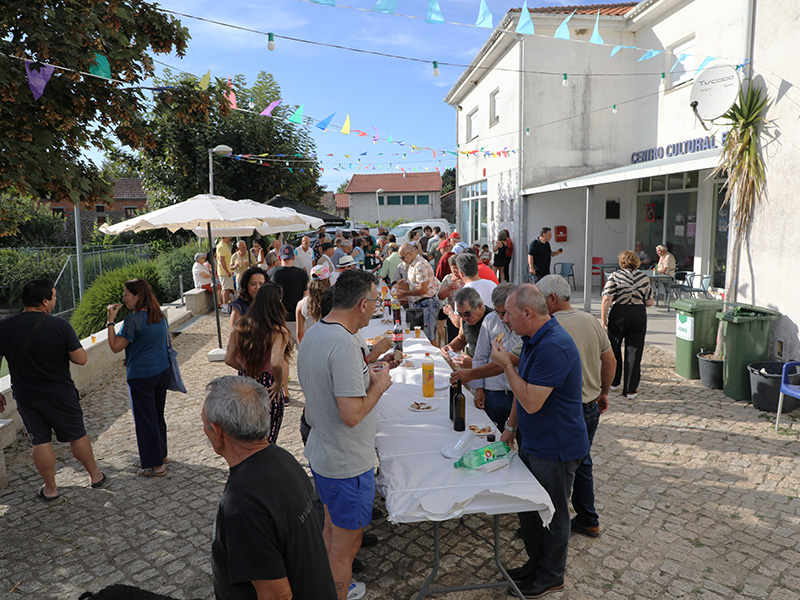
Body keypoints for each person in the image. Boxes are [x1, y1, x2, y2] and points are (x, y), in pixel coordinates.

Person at [297, 269, 393, 600]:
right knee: (346, 546)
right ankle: (337, 590)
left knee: (330, 531)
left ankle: (323, 586)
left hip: (324, 452)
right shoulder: (343, 344)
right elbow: (351, 415)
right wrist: (378, 386)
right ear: (363, 305)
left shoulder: (316, 332)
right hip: (347, 462)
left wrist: (368, 368)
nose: (378, 307)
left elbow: (331, 383)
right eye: (377, 301)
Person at [490, 284, 588, 598]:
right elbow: (524, 391)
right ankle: (536, 564)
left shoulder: (553, 346)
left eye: (509, 313)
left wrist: (506, 364)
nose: (505, 319)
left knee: (554, 514)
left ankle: (552, 576)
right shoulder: (535, 339)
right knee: (529, 509)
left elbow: (531, 399)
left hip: (556, 447)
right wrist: (510, 428)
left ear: (528, 313)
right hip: (534, 442)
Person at [204, 376, 337, 600]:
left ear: (218, 431)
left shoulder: (243, 504)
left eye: (204, 426)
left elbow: (276, 596)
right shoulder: (282, 459)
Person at [0, 278, 105, 500]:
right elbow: (82, 359)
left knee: (40, 441)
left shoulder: (5, 327)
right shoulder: (60, 326)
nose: (55, 300)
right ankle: (95, 476)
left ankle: (50, 489)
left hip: (27, 395)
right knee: (77, 435)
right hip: (60, 393)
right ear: (45, 301)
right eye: (54, 296)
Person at [536, 274, 616, 539]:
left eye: (540, 298)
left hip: (565, 409)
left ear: (552, 299)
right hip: (590, 404)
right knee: (582, 462)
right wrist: (604, 392)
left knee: (563, 468)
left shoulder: (547, 325)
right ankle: (588, 518)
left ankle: (553, 525)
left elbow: (513, 357)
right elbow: (610, 360)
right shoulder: (591, 320)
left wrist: (473, 372)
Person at [106, 279, 171, 477]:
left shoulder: (133, 321)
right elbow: (152, 342)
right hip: (162, 371)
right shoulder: (158, 315)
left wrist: (110, 321)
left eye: (127, 294)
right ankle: (162, 454)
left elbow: (115, 346)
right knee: (157, 415)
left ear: (138, 296)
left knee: (145, 420)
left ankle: (155, 465)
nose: (124, 297)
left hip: (142, 376)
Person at [225, 282, 292, 444]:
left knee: (247, 437)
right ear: (278, 302)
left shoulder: (241, 325)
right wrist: (278, 383)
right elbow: (276, 362)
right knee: (268, 439)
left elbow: (229, 358)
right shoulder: (278, 330)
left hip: (245, 384)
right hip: (268, 387)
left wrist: (246, 369)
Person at [460, 283, 520, 432]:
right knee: (490, 436)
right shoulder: (490, 320)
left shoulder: (524, 323)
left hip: (518, 393)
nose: (503, 318)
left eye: (505, 312)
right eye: (498, 312)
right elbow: (480, 357)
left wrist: (471, 374)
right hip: (494, 392)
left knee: (521, 437)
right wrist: (479, 389)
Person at [601, 250, 655, 399]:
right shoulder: (644, 277)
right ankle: (631, 390)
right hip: (638, 313)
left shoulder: (615, 276)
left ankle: (614, 381)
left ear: (621, 262)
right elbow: (649, 301)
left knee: (614, 348)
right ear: (637, 262)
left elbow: (607, 298)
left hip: (619, 313)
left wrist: (603, 319)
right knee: (634, 351)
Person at [272, 244, 309, 401]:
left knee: (283, 357)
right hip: (299, 319)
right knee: (306, 357)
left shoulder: (273, 273)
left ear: (280, 257)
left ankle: (285, 393)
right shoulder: (301, 274)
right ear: (293, 257)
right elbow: (306, 298)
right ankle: (310, 393)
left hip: (280, 320)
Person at [395, 242, 440, 341]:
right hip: (417, 303)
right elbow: (413, 285)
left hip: (426, 304)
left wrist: (404, 293)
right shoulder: (412, 264)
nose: (402, 260)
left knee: (428, 338)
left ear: (410, 253)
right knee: (417, 336)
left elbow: (422, 289)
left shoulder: (420, 265)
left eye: (403, 258)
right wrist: (400, 287)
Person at [440, 287, 492, 370]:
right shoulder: (464, 319)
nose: (464, 318)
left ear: (479, 305)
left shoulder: (493, 321)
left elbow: (501, 361)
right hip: (473, 374)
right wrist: (450, 347)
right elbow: (461, 339)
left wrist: (474, 363)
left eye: (467, 314)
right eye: (460, 314)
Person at [296, 265, 333, 343]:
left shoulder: (301, 304)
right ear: (327, 281)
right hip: (331, 344)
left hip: (311, 344)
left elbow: (299, 335)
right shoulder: (335, 301)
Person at [437, 255, 463, 346]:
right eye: (453, 268)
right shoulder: (448, 278)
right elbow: (440, 296)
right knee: (452, 341)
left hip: (464, 315)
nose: (455, 270)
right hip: (452, 315)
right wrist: (447, 289)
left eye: (457, 268)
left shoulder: (465, 278)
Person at [216, 237, 235, 307]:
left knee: (226, 288)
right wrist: (227, 271)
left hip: (226, 271)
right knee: (226, 289)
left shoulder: (224, 246)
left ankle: (225, 304)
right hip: (224, 272)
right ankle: (225, 305)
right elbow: (222, 260)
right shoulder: (222, 246)